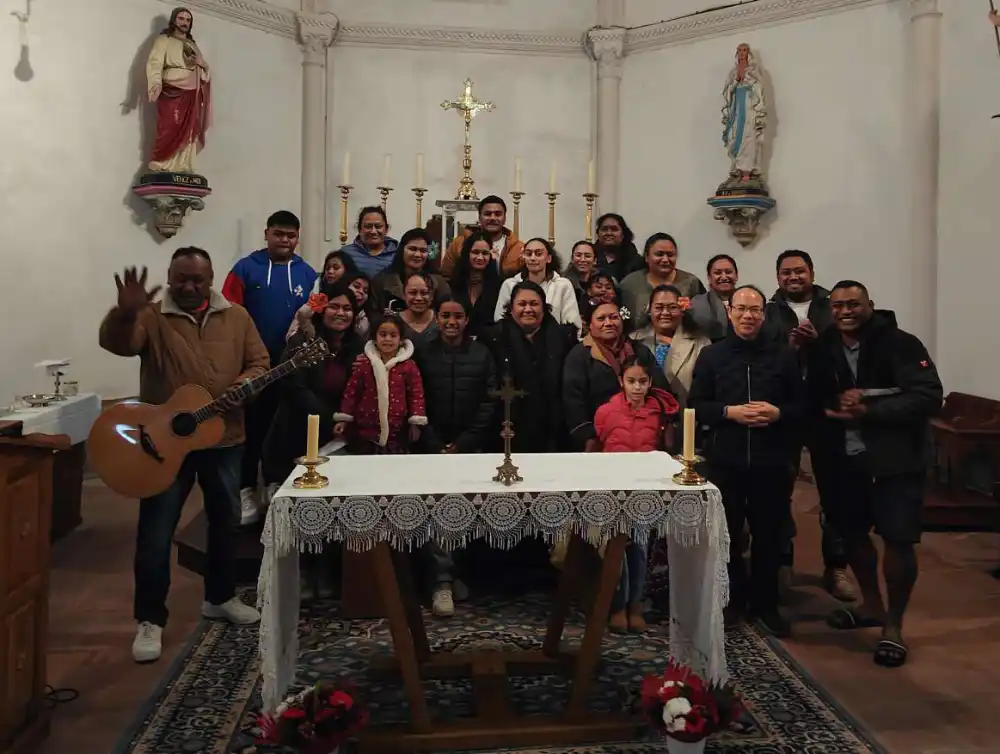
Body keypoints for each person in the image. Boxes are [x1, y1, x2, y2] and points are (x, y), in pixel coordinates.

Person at [98, 252, 267, 663]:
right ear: (169, 278)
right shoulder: (151, 317)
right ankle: (150, 619)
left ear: (211, 278)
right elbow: (118, 344)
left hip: (224, 439)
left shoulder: (237, 317)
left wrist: (244, 385)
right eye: (180, 280)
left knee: (226, 524)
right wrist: (124, 313)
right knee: (156, 533)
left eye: (197, 280)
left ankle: (220, 596)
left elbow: (259, 363)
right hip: (163, 444)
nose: (188, 287)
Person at [807, 281, 943, 668]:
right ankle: (871, 606)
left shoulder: (901, 342)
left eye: (854, 303)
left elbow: (928, 395)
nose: (845, 311)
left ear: (870, 305)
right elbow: (816, 395)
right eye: (837, 305)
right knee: (851, 535)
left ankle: (894, 627)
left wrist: (869, 405)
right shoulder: (825, 345)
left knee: (898, 540)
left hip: (896, 461)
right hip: (842, 461)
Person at [688, 285, 805, 638]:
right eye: (741, 309)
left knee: (770, 534)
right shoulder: (713, 356)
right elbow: (695, 406)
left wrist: (778, 412)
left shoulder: (783, 356)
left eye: (755, 310)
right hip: (727, 459)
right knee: (728, 536)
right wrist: (729, 412)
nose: (748, 316)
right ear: (730, 312)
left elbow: (803, 407)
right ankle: (732, 600)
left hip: (772, 460)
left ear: (763, 315)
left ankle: (766, 604)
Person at [264, 279, 364, 600]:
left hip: (338, 440)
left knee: (334, 507)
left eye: (347, 308)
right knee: (304, 508)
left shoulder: (358, 347)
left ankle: (328, 572)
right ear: (322, 310)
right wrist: (330, 416)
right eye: (334, 306)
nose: (341, 313)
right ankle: (304, 571)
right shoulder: (301, 342)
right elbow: (295, 388)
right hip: (298, 435)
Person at [222, 210, 316, 524]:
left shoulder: (307, 273)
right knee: (250, 429)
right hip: (252, 368)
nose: (284, 240)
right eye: (278, 234)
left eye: (290, 235)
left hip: (290, 368)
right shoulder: (245, 269)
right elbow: (227, 316)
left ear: (297, 238)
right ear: (267, 234)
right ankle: (246, 488)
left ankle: (275, 485)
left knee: (282, 430)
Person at [414, 297, 498, 616]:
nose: (451, 321)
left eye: (457, 316)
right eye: (445, 316)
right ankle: (441, 582)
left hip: (469, 447)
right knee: (437, 511)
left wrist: (464, 441)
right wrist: (435, 441)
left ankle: (457, 572)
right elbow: (416, 398)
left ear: (466, 320)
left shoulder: (481, 354)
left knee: (465, 511)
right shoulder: (423, 352)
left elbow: (490, 401)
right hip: (432, 446)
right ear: (437, 318)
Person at [594, 355, 679, 632]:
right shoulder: (607, 412)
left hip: (644, 488)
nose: (637, 387)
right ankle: (618, 604)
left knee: (640, 546)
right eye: (631, 381)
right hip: (615, 487)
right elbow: (600, 442)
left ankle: (635, 604)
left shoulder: (657, 413)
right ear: (621, 382)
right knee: (618, 545)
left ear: (650, 382)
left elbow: (661, 446)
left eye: (643, 381)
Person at [479, 281, 577, 453]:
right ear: (511, 308)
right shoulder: (493, 338)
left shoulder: (564, 338)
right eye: (522, 304)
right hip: (506, 429)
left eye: (534, 304)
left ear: (544, 307)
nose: (528, 309)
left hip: (553, 430)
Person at [563, 297, 667, 451]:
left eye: (613, 317)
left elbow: (660, 389)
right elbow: (573, 401)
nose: (609, 323)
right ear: (590, 324)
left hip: (643, 433)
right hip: (597, 438)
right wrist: (589, 436)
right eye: (601, 318)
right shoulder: (579, 356)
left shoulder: (639, 350)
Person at [334, 314, 427, 454]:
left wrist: (416, 423)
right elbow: (351, 393)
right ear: (374, 338)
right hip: (365, 432)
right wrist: (343, 419)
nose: (387, 339)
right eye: (383, 334)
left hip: (397, 432)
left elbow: (416, 394)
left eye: (393, 335)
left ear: (401, 339)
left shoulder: (409, 366)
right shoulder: (364, 364)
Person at [145, 7, 211, 174]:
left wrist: (203, 65)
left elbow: (204, 72)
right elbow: (155, 63)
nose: (185, 22)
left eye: (188, 20)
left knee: (190, 128)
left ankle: (183, 165)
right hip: (171, 90)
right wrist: (155, 83)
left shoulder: (192, 45)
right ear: (174, 20)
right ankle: (162, 162)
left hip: (192, 93)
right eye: (181, 18)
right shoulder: (164, 40)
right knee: (170, 125)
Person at [632, 285, 711, 414]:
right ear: (649, 310)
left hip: (686, 418)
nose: (665, 313)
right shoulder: (634, 340)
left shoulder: (701, 343)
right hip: (642, 418)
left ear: (682, 310)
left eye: (672, 307)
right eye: (659, 307)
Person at [493, 238, 582, 332]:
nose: (533, 258)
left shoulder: (563, 285)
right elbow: (500, 320)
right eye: (528, 254)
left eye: (538, 254)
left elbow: (572, 324)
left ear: (548, 258)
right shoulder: (510, 284)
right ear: (523, 257)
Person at [619, 233, 705, 328]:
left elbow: (701, 318)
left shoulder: (691, 282)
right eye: (659, 254)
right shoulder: (629, 283)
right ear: (646, 257)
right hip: (638, 339)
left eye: (670, 255)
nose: (665, 259)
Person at [439, 195, 524, 279]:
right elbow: (446, 276)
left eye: (498, 214)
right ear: (479, 218)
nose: (492, 218)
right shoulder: (459, 243)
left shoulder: (518, 247)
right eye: (487, 214)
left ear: (505, 218)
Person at [721, 42, 767, 181]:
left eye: (744, 50)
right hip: (736, 106)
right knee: (735, 135)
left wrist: (747, 79)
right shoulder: (733, 72)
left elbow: (759, 88)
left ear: (748, 53)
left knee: (749, 135)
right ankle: (737, 168)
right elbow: (727, 92)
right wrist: (736, 81)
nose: (742, 53)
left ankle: (747, 170)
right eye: (739, 50)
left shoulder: (754, 69)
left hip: (749, 106)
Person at [372, 228, 450, 307]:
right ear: (402, 250)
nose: (417, 255)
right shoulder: (382, 281)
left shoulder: (439, 283)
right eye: (412, 249)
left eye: (423, 251)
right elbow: (373, 313)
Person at [449, 231, 503, 339]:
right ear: (467, 253)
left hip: (488, 346)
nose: (480, 257)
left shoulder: (499, 286)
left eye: (485, 253)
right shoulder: (454, 283)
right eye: (475, 252)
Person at [690, 254, 738, 342]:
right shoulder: (695, 304)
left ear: (736, 276)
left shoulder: (748, 301)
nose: (724, 277)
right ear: (709, 278)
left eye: (728, 272)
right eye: (717, 273)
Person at [341, 206, 398, 278]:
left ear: (386, 229)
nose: (373, 231)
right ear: (359, 229)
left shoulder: (398, 254)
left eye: (378, 226)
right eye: (368, 226)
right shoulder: (346, 253)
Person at [593, 213, 644, 281]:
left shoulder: (636, 261)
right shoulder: (588, 256)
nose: (609, 233)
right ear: (598, 233)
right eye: (604, 229)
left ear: (623, 234)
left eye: (614, 229)